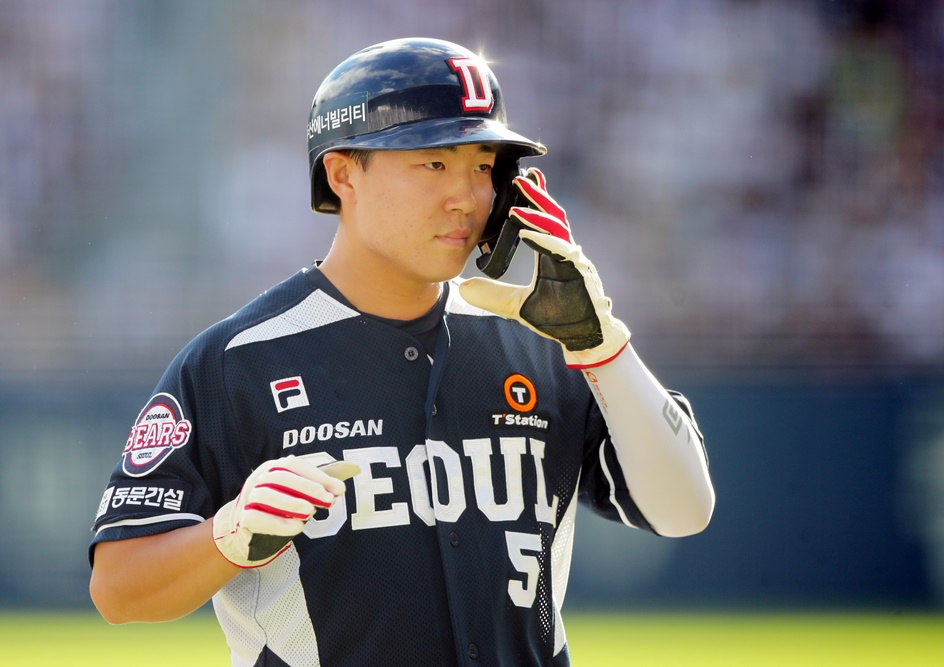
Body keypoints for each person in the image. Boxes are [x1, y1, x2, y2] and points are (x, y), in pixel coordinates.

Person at [89, 37, 714, 667]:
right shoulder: (238, 360)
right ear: (342, 173)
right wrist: (229, 536)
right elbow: (118, 589)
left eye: (483, 167)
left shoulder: (549, 339)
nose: (467, 198)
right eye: (434, 164)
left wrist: (602, 346)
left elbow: (685, 510)